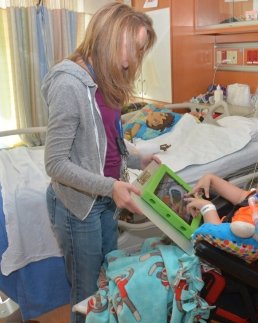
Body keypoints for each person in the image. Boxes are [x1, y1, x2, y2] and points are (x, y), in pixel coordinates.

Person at [41, 3, 156, 322]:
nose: (137, 55)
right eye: (135, 46)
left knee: (107, 279)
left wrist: (138, 155)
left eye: (141, 48)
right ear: (111, 36)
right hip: (79, 207)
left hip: (105, 199)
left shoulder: (106, 78)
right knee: (87, 294)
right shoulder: (69, 84)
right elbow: (55, 164)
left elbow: (108, 137)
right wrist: (111, 186)